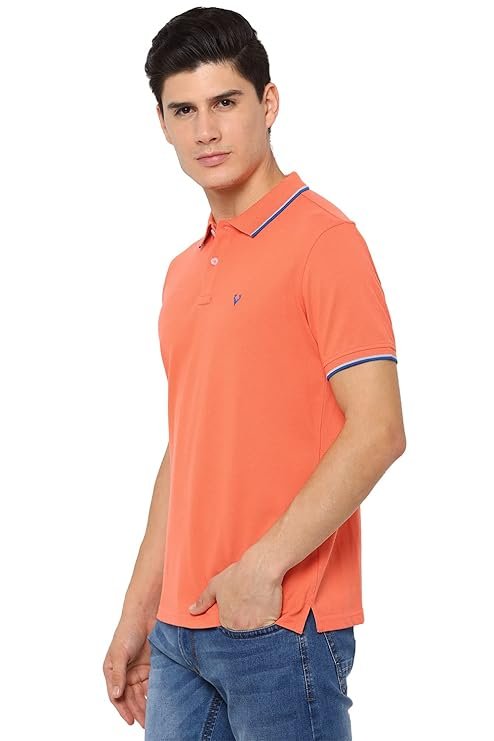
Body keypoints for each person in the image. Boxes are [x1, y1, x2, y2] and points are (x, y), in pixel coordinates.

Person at [102, 6, 406, 739]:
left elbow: (379, 429)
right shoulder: (183, 271)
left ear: (268, 104)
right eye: (184, 110)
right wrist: (138, 611)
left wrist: (263, 568)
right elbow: (187, 447)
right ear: (162, 123)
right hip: (178, 633)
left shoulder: (325, 241)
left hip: (279, 623)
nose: (206, 130)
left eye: (225, 102)